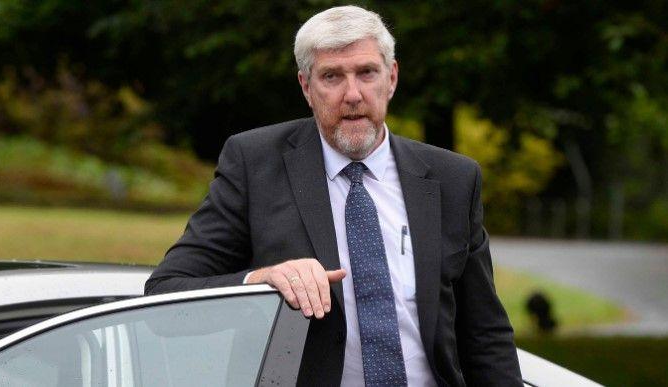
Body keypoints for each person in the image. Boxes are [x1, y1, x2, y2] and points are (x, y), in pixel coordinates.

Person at [145, 5, 522, 386]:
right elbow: (166, 294)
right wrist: (261, 282)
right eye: (332, 76)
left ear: (391, 78)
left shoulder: (452, 179)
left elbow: (485, 335)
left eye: (366, 73)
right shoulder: (255, 165)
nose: (353, 94)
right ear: (307, 87)